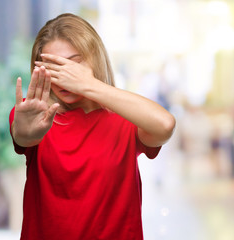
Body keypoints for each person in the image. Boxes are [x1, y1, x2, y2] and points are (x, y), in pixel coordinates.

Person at [9, 13, 175, 240]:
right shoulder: (34, 115)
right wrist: (25, 132)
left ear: (95, 58)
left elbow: (165, 125)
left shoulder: (125, 119)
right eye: (53, 67)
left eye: (72, 64)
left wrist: (88, 84)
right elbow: (24, 136)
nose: (63, 76)